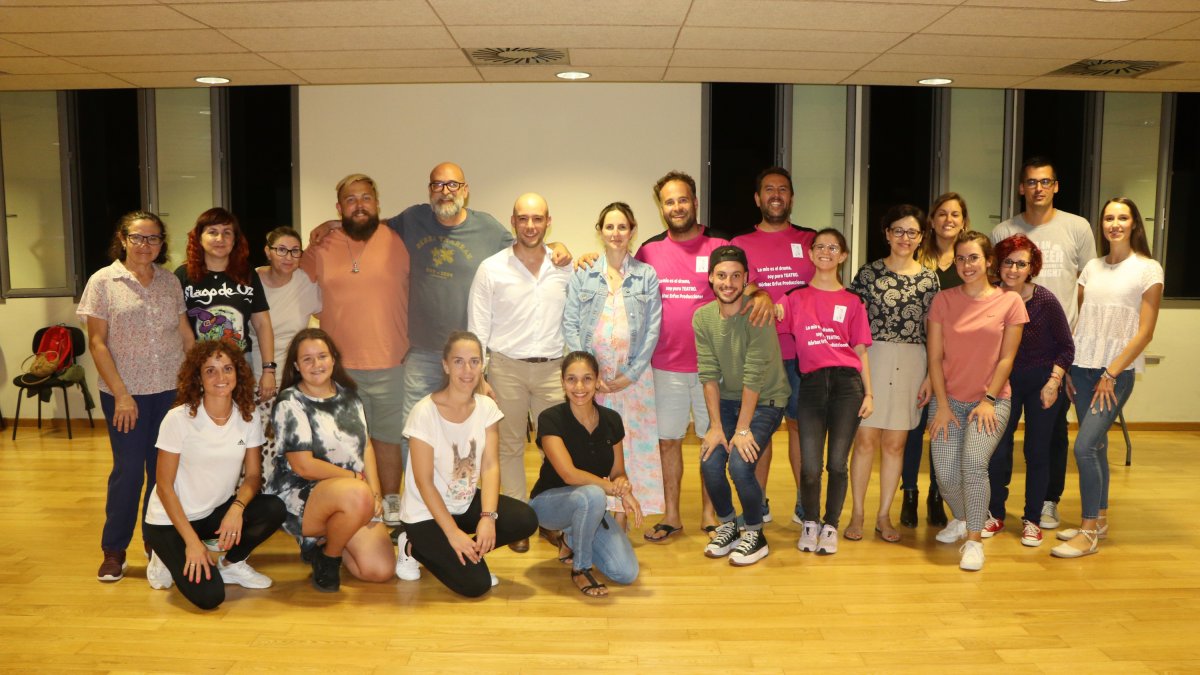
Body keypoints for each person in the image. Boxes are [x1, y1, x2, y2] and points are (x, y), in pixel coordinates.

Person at [631, 170, 773, 543]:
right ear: (661, 208)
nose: (676, 207)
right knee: (669, 441)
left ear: (695, 202)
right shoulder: (648, 250)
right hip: (665, 365)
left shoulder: (718, 244)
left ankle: (712, 515)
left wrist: (762, 296)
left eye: (682, 199)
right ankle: (673, 515)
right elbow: (623, 278)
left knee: (715, 440)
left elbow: (746, 284)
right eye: (669, 201)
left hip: (718, 369)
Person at [78, 211, 195, 582]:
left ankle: (155, 543)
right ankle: (114, 549)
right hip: (124, 394)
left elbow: (185, 334)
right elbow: (97, 343)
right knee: (128, 472)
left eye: (154, 238)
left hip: (169, 391)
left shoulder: (168, 282)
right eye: (139, 238)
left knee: (162, 472)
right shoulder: (103, 281)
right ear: (123, 239)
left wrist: (193, 383)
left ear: (162, 243)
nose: (147, 245)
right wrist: (122, 395)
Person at [1052, 198, 1162, 559]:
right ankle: (1098, 519)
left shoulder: (1148, 269)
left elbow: (1144, 333)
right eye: (1109, 218)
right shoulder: (1092, 269)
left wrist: (1111, 373)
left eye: (1123, 217)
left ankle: (1087, 533)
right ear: (1102, 224)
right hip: (1082, 369)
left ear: (1134, 224)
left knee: (1083, 447)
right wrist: (1069, 366)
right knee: (1096, 446)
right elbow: (1083, 322)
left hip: (1115, 373)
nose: (1115, 224)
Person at [991, 157, 1097, 531]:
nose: (1038, 188)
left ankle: (1048, 502)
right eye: (1031, 182)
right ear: (1021, 187)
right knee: (1000, 440)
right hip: (1005, 357)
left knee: (1050, 436)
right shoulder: (1004, 229)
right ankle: (994, 509)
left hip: (1057, 352)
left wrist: (1069, 361)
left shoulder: (1077, 227)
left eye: (1046, 181)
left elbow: (1090, 287)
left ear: (1056, 186)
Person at [142, 340, 286, 610]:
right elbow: (164, 487)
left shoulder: (248, 416)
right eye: (210, 371)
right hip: (170, 522)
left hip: (212, 514)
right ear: (198, 378)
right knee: (210, 598)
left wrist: (237, 508)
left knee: (274, 508)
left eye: (227, 368)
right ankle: (163, 556)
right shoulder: (178, 418)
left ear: (238, 373)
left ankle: (232, 564)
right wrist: (193, 544)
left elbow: (254, 476)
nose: (221, 377)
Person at [300, 174, 410, 526]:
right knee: (344, 442)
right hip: (339, 367)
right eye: (351, 199)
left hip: (392, 361)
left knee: (387, 439)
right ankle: (356, 504)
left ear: (377, 203)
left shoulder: (398, 239)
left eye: (366, 198)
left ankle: (391, 503)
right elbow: (288, 285)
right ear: (339, 208)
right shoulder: (322, 247)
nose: (359, 204)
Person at [394, 331, 538, 597]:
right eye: (458, 361)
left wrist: (488, 518)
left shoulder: (487, 408)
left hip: (463, 501)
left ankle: (462, 555)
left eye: (474, 361)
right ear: (446, 365)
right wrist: (452, 533)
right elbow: (424, 481)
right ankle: (411, 546)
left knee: (525, 518)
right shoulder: (424, 412)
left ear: (482, 365)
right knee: (476, 585)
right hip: (426, 513)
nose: (467, 369)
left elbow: (491, 466)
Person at [467, 193, 572, 553]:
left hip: (553, 370)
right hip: (506, 369)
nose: (530, 226)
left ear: (548, 221)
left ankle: (551, 519)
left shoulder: (564, 267)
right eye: (523, 218)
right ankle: (517, 521)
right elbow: (477, 327)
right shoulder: (491, 268)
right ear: (513, 221)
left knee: (556, 449)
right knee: (507, 447)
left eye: (538, 219)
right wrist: (478, 376)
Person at [927, 231, 1027, 571]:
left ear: (989, 262)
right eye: (961, 258)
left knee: (972, 464)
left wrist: (987, 399)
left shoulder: (1010, 302)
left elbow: (1006, 359)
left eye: (973, 258)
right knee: (944, 474)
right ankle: (964, 516)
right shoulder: (943, 300)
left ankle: (973, 539)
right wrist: (940, 404)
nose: (967, 265)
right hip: (949, 400)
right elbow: (935, 357)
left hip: (992, 401)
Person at [268, 328, 396, 591]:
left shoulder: (348, 395)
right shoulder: (290, 402)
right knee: (356, 494)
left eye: (322, 356)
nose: (317, 364)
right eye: (307, 359)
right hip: (301, 496)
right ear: (296, 366)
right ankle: (329, 558)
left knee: (378, 571)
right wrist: (357, 481)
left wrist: (375, 492)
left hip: (352, 494)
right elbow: (303, 465)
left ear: (334, 359)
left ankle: (327, 541)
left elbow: (367, 447)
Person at [562, 202, 663, 525]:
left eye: (622, 227)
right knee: (598, 447)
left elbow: (652, 329)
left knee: (633, 448)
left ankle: (625, 517)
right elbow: (571, 324)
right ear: (600, 231)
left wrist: (629, 375)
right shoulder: (584, 275)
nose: (616, 233)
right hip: (593, 385)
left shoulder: (646, 276)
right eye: (610, 227)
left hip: (634, 381)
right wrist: (589, 377)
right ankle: (598, 513)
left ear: (632, 231)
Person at [730, 167, 817, 525]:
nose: (776, 195)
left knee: (800, 427)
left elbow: (825, 285)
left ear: (791, 198)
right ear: (757, 198)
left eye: (783, 189)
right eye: (769, 189)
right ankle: (758, 504)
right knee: (760, 430)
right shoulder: (741, 243)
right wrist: (758, 290)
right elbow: (732, 285)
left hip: (804, 354)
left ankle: (803, 504)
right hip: (761, 355)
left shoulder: (811, 240)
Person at [847, 205, 938, 543]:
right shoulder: (868, 274)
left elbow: (933, 330)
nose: (904, 237)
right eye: (897, 230)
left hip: (913, 361)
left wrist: (931, 373)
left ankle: (884, 515)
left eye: (912, 232)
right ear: (886, 234)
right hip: (872, 358)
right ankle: (857, 512)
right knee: (866, 439)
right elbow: (852, 325)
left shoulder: (930, 278)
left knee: (896, 443)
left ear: (921, 238)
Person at [694, 245, 790, 566]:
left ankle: (754, 532)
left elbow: (755, 373)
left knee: (739, 463)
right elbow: (707, 372)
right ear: (711, 278)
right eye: (721, 275)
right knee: (709, 459)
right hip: (729, 400)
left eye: (736, 276)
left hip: (767, 399)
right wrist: (717, 428)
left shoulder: (757, 312)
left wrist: (743, 429)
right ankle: (728, 525)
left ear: (746, 278)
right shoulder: (703, 317)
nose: (729, 282)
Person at [784, 229, 873, 556]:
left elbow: (861, 350)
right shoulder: (794, 297)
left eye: (832, 247)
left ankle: (831, 524)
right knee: (810, 465)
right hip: (810, 385)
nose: (825, 251)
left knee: (837, 463)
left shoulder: (853, 301)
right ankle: (810, 521)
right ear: (810, 254)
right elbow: (769, 319)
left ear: (843, 255)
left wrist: (870, 394)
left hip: (847, 387)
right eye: (819, 246)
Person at [984, 235, 1074, 547]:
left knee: (1037, 451)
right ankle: (994, 513)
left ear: (1031, 267)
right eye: (1008, 261)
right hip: (1003, 383)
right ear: (998, 263)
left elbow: (1066, 347)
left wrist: (1054, 381)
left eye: (1021, 263)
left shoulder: (1045, 301)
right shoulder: (990, 297)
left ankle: (1032, 520)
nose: (1013, 268)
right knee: (998, 449)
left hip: (1041, 384)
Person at [530, 351, 642, 597]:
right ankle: (581, 569)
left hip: (591, 504)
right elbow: (569, 475)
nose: (579, 387)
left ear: (597, 380)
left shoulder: (612, 420)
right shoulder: (550, 419)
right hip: (548, 505)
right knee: (592, 494)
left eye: (587, 379)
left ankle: (570, 539)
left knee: (626, 572)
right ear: (562, 382)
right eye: (571, 379)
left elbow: (617, 471)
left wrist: (624, 487)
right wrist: (612, 489)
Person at [903, 192, 972, 527]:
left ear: (964, 221)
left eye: (955, 215)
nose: (948, 220)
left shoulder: (967, 262)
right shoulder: (918, 258)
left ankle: (936, 494)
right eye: (942, 214)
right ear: (931, 220)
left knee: (942, 429)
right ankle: (910, 493)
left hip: (956, 357)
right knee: (913, 427)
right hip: (918, 353)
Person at [176, 207, 276, 402]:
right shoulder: (183, 275)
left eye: (227, 233)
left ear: (235, 239)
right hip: (199, 365)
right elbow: (180, 328)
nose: (220, 238)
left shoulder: (247, 274)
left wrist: (268, 370)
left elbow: (262, 324)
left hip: (240, 362)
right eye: (212, 232)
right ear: (199, 237)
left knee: (240, 419)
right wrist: (193, 368)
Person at [252, 226, 321, 485]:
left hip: (293, 380)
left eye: (294, 251)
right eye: (281, 249)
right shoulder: (252, 280)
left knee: (292, 444)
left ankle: (290, 499)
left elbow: (331, 313)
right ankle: (262, 500)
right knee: (261, 445)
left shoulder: (305, 282)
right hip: (257, 378)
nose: (288, 256)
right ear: (268, 252)